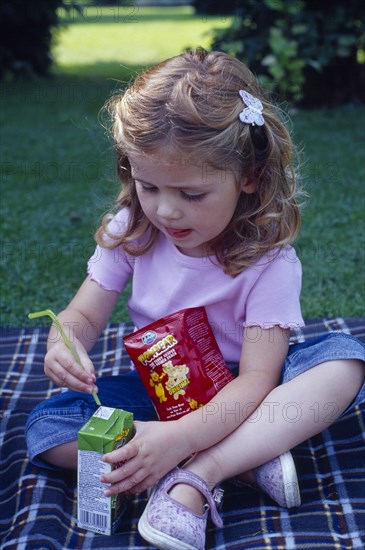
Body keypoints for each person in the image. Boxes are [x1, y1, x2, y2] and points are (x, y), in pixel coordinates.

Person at [26, 49, 365, 550]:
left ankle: (200, 473)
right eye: (148, 186)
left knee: (345, 362)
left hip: (251, 395)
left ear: (248, 176)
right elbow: (81, 315)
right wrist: (65, 344)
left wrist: (184, 438)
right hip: (164, 392)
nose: (166, 210)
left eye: (192, 194)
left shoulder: (268, 259)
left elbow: (255, 380)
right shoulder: (132, 231)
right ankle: (246, 460)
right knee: (48, 427)